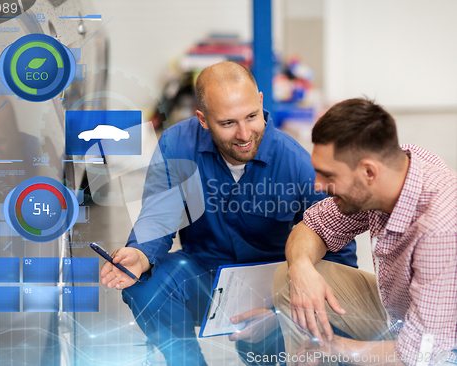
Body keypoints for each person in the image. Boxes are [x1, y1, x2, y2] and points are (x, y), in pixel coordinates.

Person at [99, 61, 357, 366]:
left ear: (261, 102)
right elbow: (159, 214)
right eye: (228, 123)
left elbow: (339, 260)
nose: (245, 134)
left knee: (279, 350)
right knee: (146, 282)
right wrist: (140, 254)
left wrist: (280, 316)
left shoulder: (296, 163)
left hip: (273, 294)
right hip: (204, 275)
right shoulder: (179, 145)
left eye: (251, 116)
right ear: (203, 119)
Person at [272, 98, 457, 366]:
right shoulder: (395, 168)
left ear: (368, 172)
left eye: (327, 175)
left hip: (443, 347)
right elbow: (312, 226)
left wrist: (336, 347)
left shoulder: (439, 230)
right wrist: (301, 267)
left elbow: (426, 355)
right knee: (290, 279)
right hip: (402, 311)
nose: (318, 185)